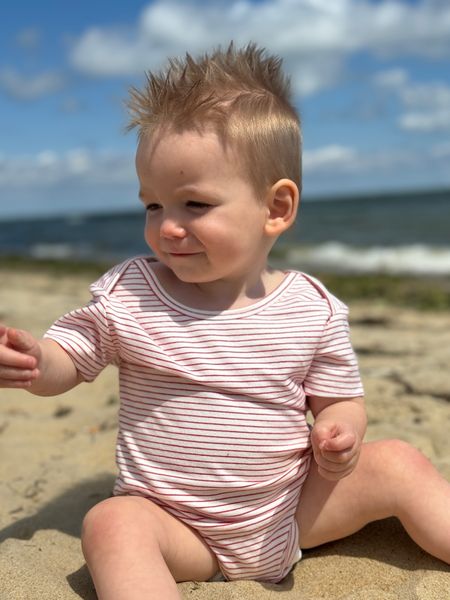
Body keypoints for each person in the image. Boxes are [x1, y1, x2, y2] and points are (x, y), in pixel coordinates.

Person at [0, 43, 449, 600]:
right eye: (153, 205)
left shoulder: (312, 307)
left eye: (194, 205)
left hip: (291, 511)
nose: (167, 227)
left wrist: (344, 432)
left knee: (399, 462)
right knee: (112, 523)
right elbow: (71, 358)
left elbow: (337, 399)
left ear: (275, 209)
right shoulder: (132, 293)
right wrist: (35, 360)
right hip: (183, 531)